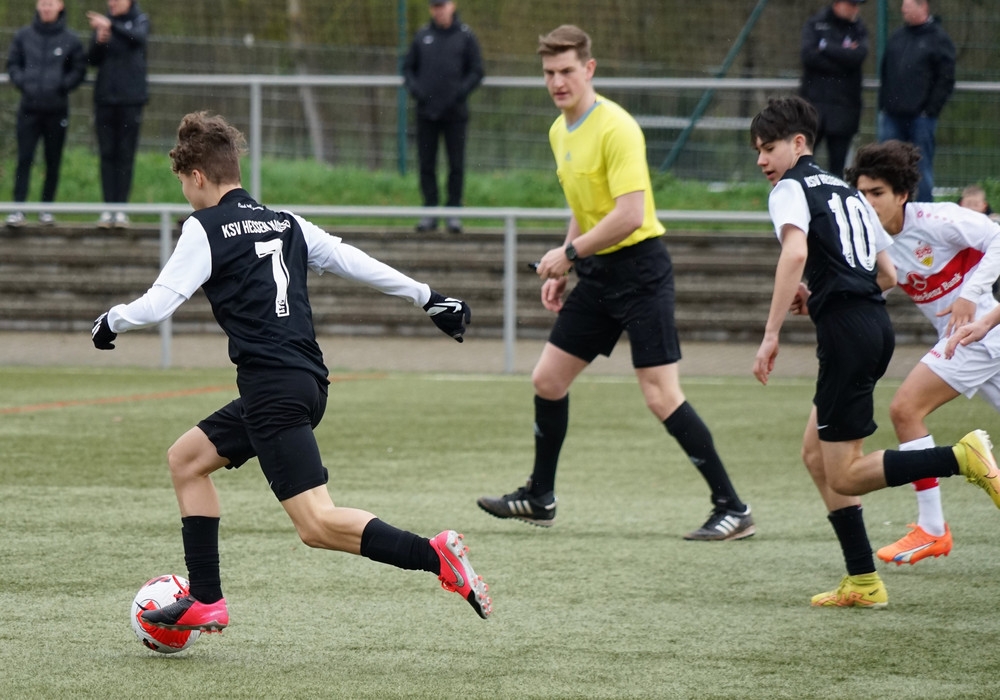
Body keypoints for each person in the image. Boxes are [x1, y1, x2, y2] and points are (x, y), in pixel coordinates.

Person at [90, 111, 490, 631]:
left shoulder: (202, 227)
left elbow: (159, 302)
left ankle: (435, 556)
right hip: (304, 382)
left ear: (197, 177)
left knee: (317, 525)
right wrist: (428, 297)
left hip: (272, 390)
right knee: (186, 460)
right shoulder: (286, 222)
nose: (186, 195)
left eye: (184, 184)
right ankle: (206, 598)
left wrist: (111, 321)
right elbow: (351, 259)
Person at [476, 25, 754, 542]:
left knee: (660, 394)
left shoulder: (617, 128)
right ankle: (540, 496)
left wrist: (569, 254)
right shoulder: (559, 131)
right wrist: (569, 264)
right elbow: (584, 207)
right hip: (598, 273)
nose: (557, 82)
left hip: (642, 273)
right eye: (549, 73)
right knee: (547, 380)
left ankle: (733, 508)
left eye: (566, 71)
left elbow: (629, 215)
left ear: (589, 69)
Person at [749, 96, 998, 607]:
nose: (761, 160)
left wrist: (771, 333)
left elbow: (795, 252)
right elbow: (886, 273)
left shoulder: (790, 188)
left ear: (798, 143)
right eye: (757, 150)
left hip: (853, 333)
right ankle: (863, 578)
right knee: (816, 455)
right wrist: (824, 294)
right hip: (870, 326)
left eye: (768, 148)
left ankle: (959, 459)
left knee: (845, 469)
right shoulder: (845, 192)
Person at [844, 140, 1000, 565]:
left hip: (980, 334)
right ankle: (932, 529)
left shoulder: (938, 219)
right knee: (906, 410)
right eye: (861, 193)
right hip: (968, 341)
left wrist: (970, 294)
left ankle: (932, 528)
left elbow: (997, 238)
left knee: (905, 409)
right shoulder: (874, 241)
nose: (867, 202)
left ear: (902, 194)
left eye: (877, 193)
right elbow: (879, 284)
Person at [402, 0, 483, 235]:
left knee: (456, 164)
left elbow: (477, 71)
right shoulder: (422, 36)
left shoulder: (466, 36)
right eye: (435, 6)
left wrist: (459, 93)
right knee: (426, 163)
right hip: (426, 114)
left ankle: (453, 212)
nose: (440, 10)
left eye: (443, 5)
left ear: (452, 6)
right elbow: (407, 69)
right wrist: (418, 92)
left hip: (455, 115)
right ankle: (430, 211)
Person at [5, 0, 87, 228]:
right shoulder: (23, 36)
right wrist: (24, 82)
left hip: (56, 110)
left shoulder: (70, 39)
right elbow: (13, 64)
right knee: (24, 159)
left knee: (53, 161)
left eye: (50, 3)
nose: (46, 7)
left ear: (60, 6)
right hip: (28, 109)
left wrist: (62, 85)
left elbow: (79, 69)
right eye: (43, 3)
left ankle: (46, 209)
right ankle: (18, 208)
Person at [877, 0, 955, 203]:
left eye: (908, 5)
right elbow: (885, 71)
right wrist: (884, 105)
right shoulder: (898, 36)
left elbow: (946, 78)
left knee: (921, 167)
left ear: (923, 7)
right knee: (888, 164)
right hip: (892, 115)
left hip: (921, 118)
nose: (903, 9)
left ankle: (923, 211)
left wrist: (930, 110)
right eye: (903, 6)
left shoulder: (938, 39)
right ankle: (890, 208)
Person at [87, 0, 149, 229]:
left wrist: (111, 26)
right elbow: (91, 59)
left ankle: (121, 209)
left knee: (125, 154)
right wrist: (99, 41)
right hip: (105, 100)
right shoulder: (104, 25)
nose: (112, 3)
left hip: (130, 101)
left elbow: (139, 38)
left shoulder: (140, 20)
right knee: (107, 154)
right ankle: (108, 208)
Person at [799, 0, 869, 177]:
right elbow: (809, 56)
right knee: (802, 161)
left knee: (837, 167)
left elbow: (857, 57)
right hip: (813, 107)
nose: (856, 9)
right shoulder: (816, 23)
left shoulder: (859, 28)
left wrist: (825, 47)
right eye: (852, 4)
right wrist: (843, 60)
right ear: (839, 4)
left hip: (844, 109)